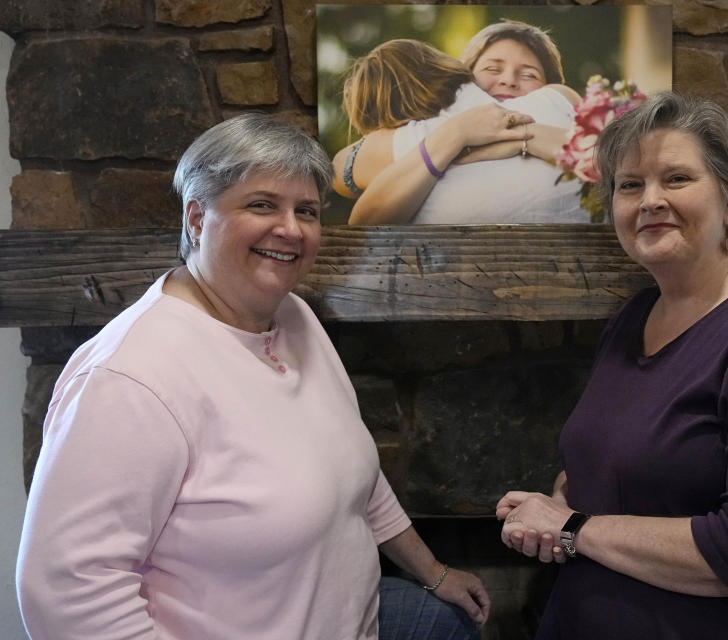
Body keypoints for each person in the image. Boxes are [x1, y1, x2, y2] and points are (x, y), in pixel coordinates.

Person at [16, 113, 489, 640]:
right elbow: (65, 591)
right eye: (262, 204)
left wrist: (434, 572)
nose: (290, 229)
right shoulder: (129, 378)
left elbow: (354, 475)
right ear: (196, 219)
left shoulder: (292, 316)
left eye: (306, 211)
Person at [495, 93, 728, 639]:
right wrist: (556, 501)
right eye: (629, 185)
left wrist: (572, 528)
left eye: (677, 179)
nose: (650, 200)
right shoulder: (633, 317)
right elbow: (613, 460)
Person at [334, 24, 589, 225]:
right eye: (492, 68)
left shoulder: (555, 101)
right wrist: (459, 135)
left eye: (529, 74)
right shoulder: (428, 130)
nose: (508, 81)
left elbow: (340, 172)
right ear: (465, 71)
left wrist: (515, 137)